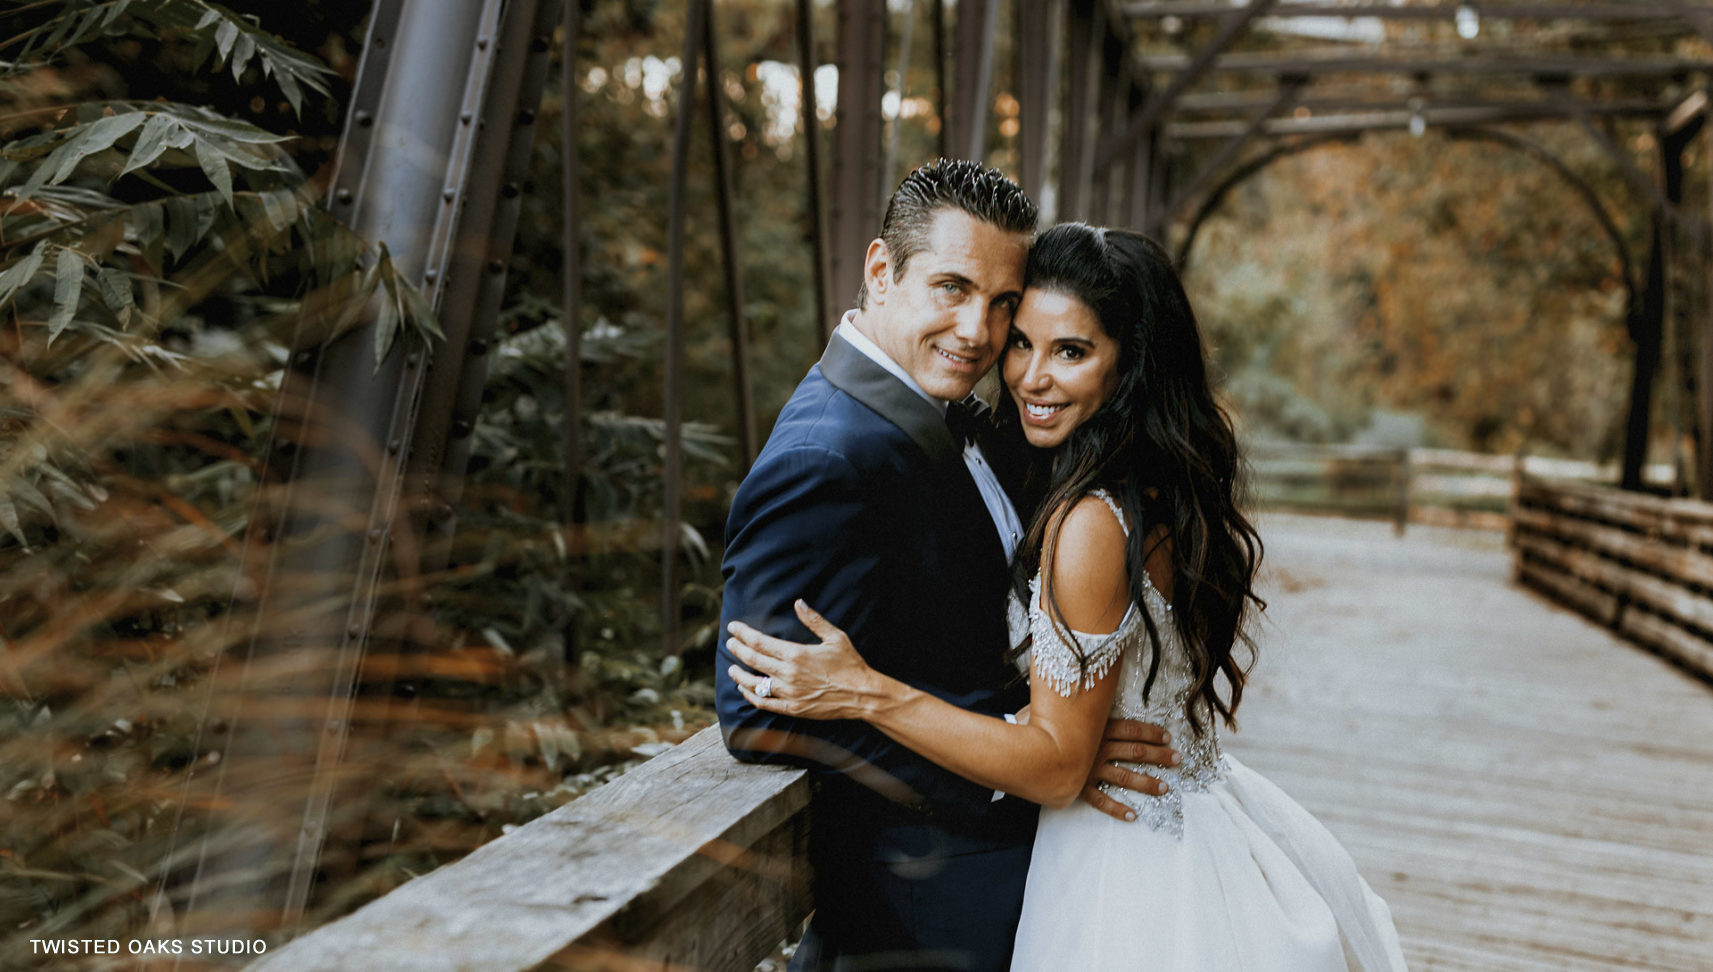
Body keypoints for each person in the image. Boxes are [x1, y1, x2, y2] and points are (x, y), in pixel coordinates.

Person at [725, 223, 1410, 970]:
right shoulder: (1136, 489)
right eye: (1022, 342)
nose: (1028, 376)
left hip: (1123, 866)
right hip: (1169, 821)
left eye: (1071, 351)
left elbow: (1054, 767)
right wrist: (1044, 727)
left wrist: (869, 693)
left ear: (1129, 364)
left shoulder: (1088, 520)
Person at [715, 163, 1176, 972]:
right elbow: (756, 713)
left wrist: (1055, 740)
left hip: (1026, 872)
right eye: (951, 289)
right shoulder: (827, 453)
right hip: (921, 897)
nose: (978, 331)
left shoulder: (966, 419)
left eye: (1002, 304)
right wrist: (1021, 760)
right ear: (880, 272)